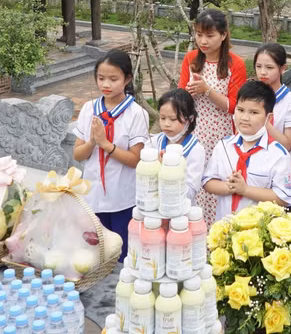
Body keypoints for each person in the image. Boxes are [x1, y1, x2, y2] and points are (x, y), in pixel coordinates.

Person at [72, 49, 148, 263]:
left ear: (127, 79)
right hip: (93, 196)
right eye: (101, 78)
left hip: (123, 198)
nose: (106, 84)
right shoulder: (89, 109)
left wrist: (106, 145)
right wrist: (92, 142)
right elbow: (78, 154)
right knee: (94, 254)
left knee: (121, 255)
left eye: (113, 79)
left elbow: (135, 160)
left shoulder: (136, 114)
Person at [178, 9, 248, 224]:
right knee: (193, 181)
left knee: (217, 182)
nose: (203, 41)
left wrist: (207, 90)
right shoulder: (191, 59)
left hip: (222, 134)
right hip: (195, 131)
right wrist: (188, 92)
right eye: (199, 35)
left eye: (210, 36)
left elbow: (235, 107)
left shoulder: (235, 64)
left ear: (224, 35)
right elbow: (180, 97)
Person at [201, 81, 291, 220]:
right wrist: (230, 187)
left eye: (254, 112)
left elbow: (283, 198)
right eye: (240, 110)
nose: (244, 117)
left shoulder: (279, 155)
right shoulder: (223, 146)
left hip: (258, 234)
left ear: (268, 117)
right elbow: (208, 182)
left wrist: (245, 190)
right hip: (223, 228)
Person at [146, 88, 204, 202]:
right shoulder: (152, 143)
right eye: (162, 118)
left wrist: (165, 170)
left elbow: (189, 193)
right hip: (153, 207)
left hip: (181, 212)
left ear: (190, 119)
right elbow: (144, 181)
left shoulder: (196, 150)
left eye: (173, 119)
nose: (166, 124)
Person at [254, 43, 291, 150]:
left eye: (269, 67)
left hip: (277, 161)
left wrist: (263, 121)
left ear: (282, 68)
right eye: (258, 66)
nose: (262, 72)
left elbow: (288, 144)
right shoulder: (250, 96)